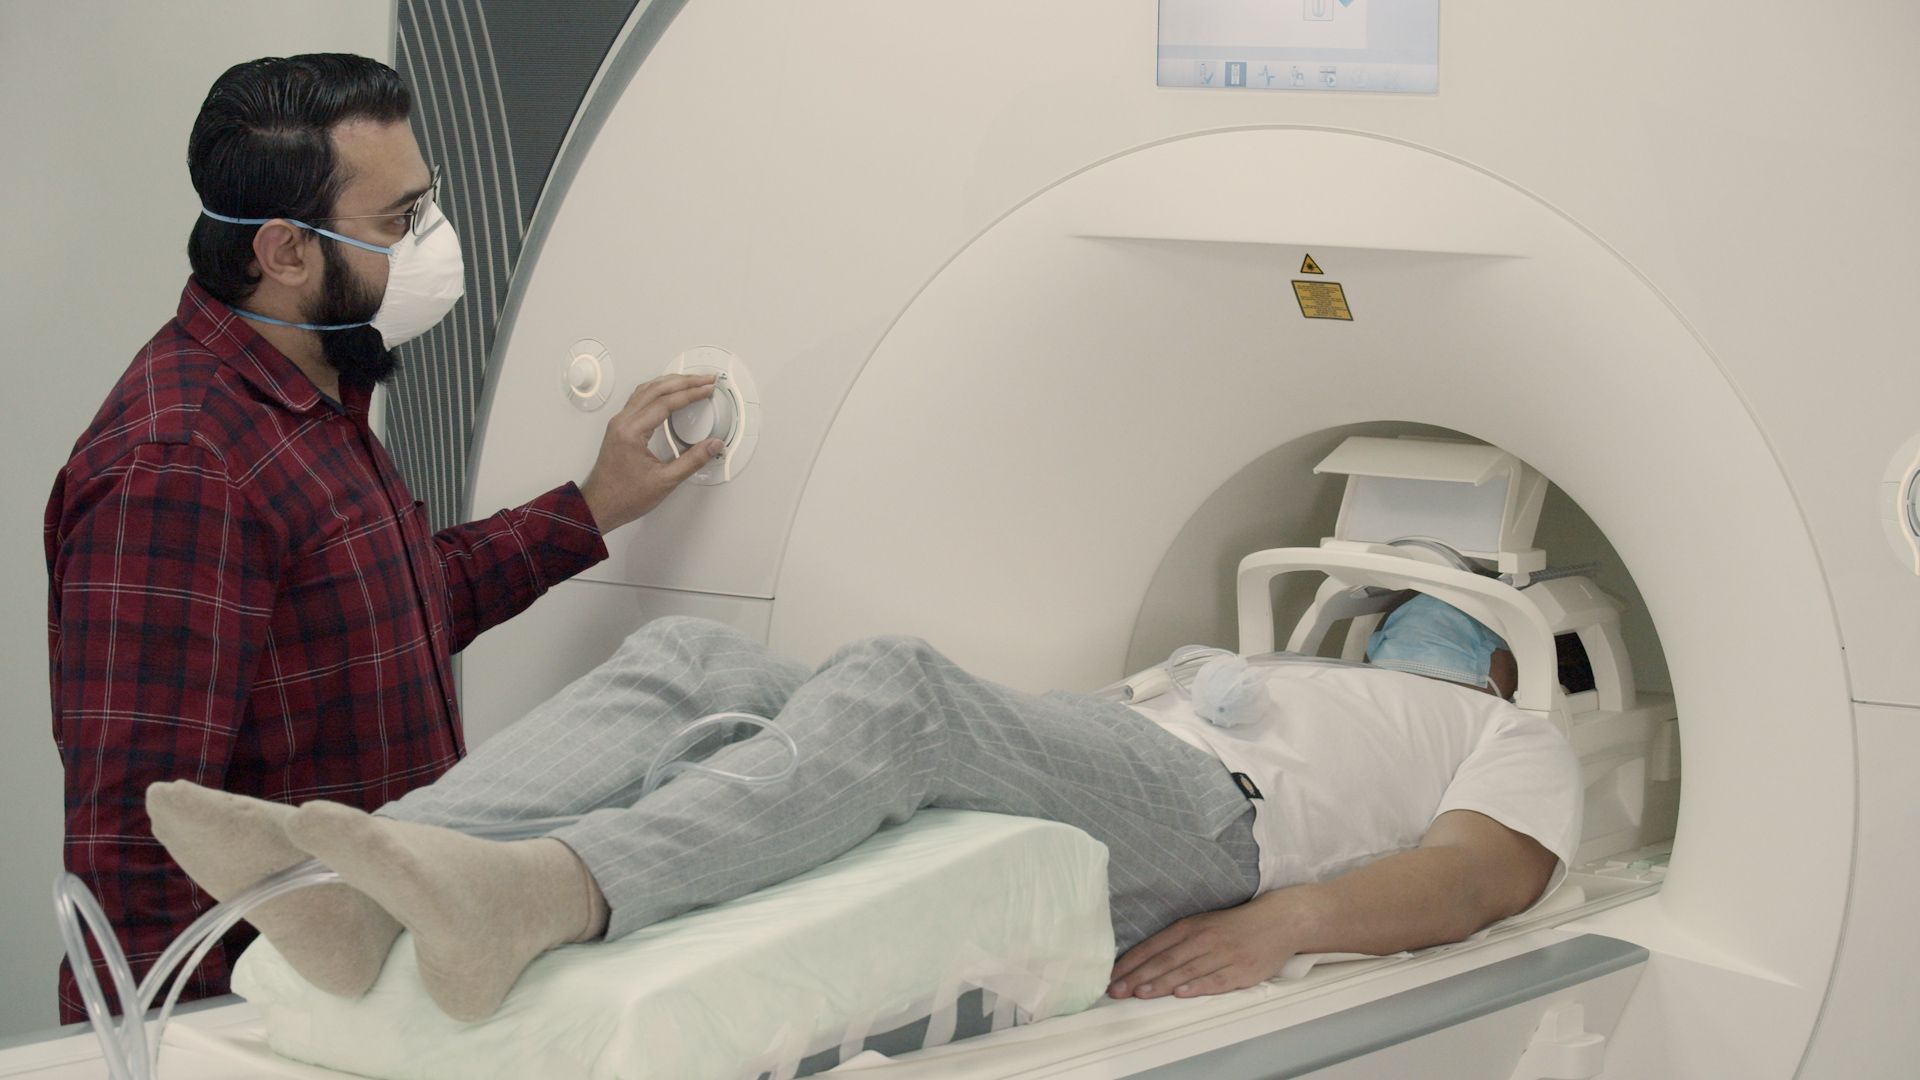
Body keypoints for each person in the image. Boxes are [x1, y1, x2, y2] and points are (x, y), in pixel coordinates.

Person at [45, 53, 723, 1023]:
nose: (433, 243)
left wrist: (593, 505)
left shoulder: (312, 394)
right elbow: (140, 837)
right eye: (399, 221)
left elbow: (395, 610)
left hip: (381, 997)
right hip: (277, 1021)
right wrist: (186, 1051)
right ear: (284, 252)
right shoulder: (178, 464)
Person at [146, 594, 1581, 1023]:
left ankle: (549, 891)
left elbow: (1479, 881)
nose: (1413, 627)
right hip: (1121, 743)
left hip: (1218, 822)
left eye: (1450, 614)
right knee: (689, 659)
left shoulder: (1511, 729)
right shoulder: (1260, 658)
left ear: (1507, 654)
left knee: (899, 682)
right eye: (1402, 605)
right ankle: (356, 888)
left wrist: (1292, 923)